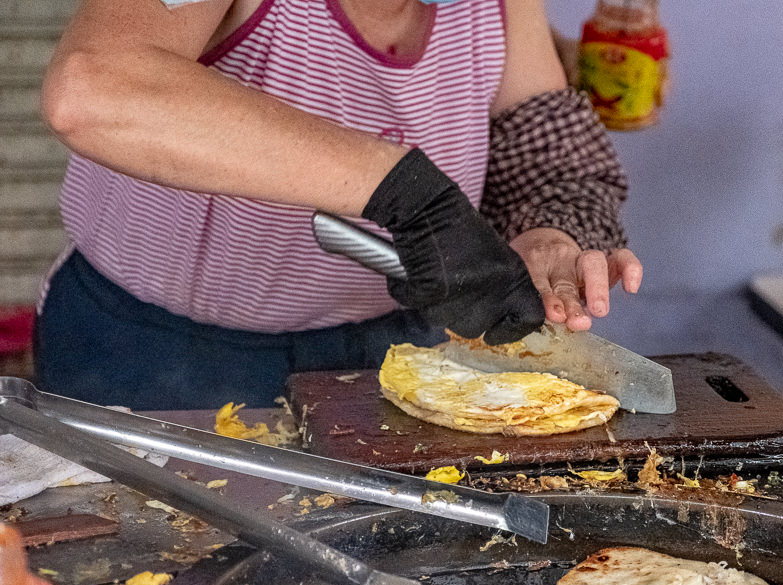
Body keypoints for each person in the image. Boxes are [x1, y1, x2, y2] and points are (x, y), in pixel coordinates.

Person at [37, 0, 643, 410]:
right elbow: (93, 89)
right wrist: (404, 188)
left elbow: (544, 146)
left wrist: (549, 235)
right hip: (158, 356)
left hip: (393, 353)